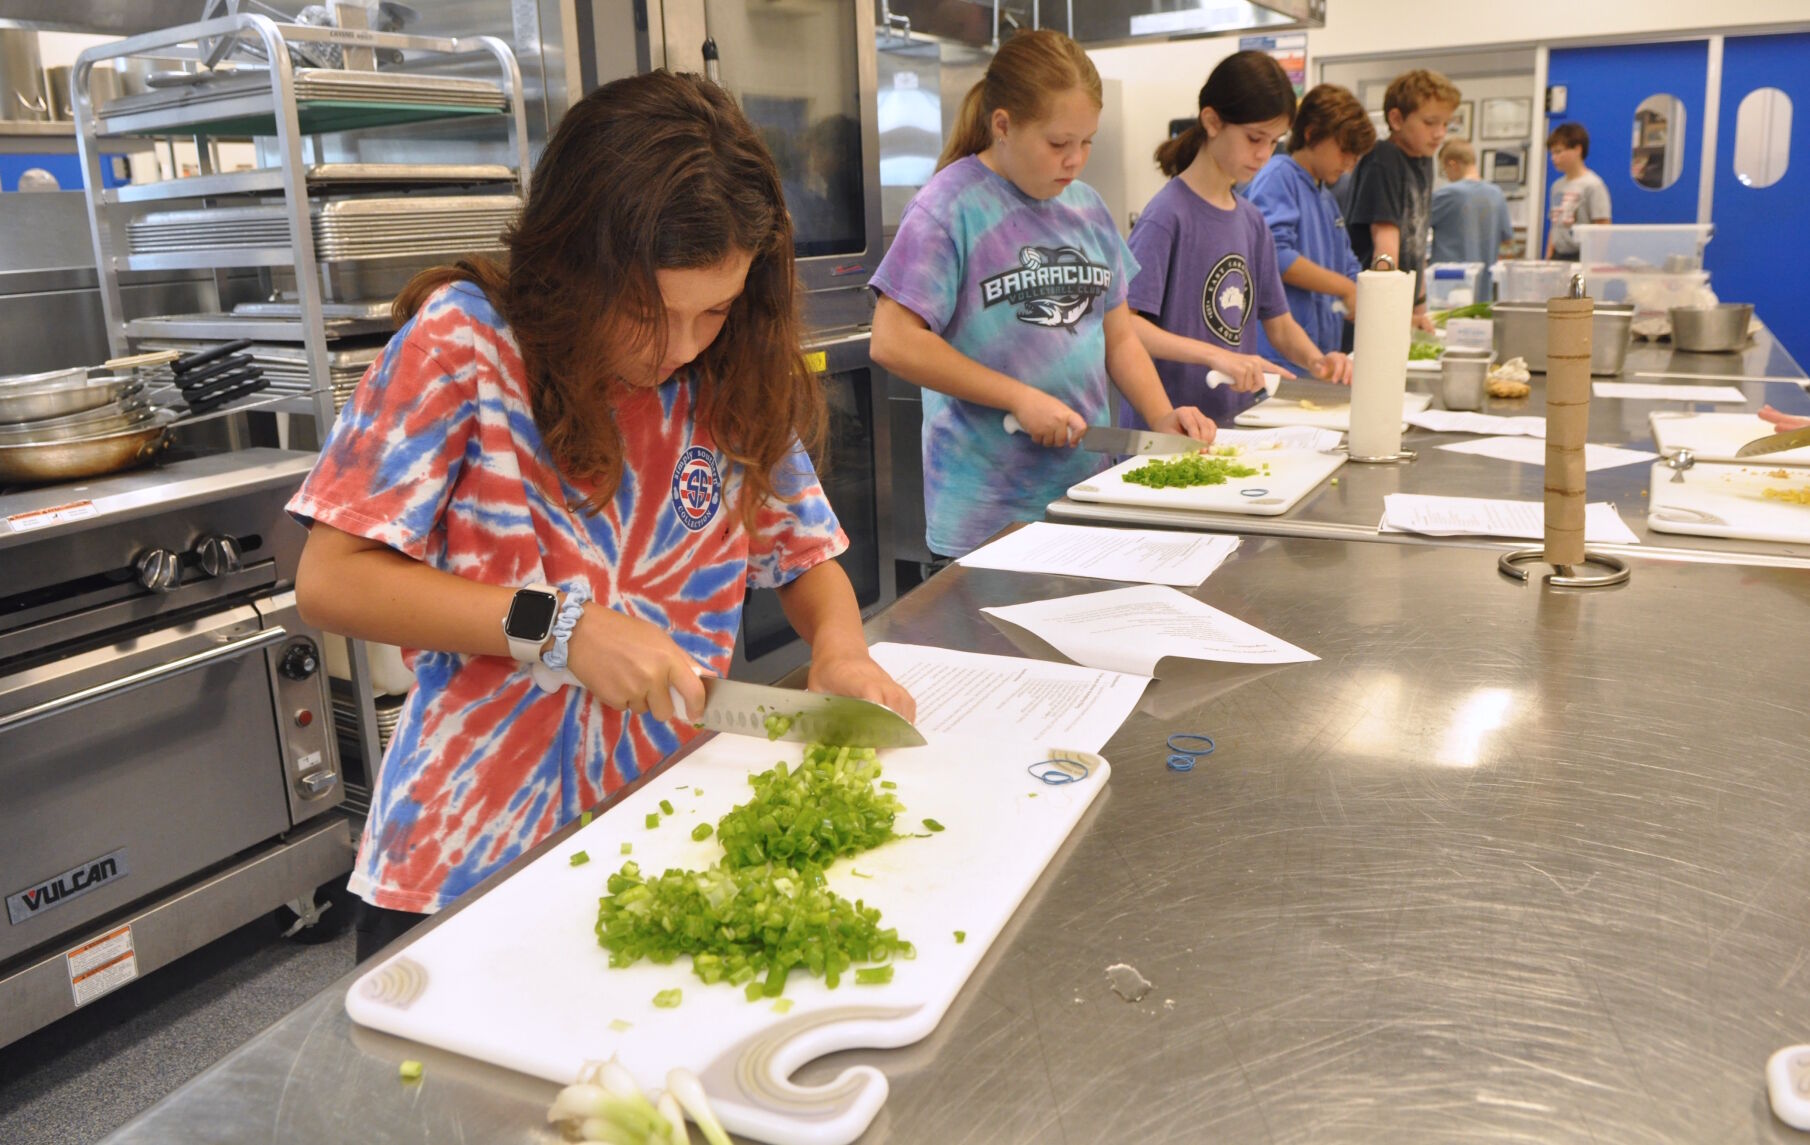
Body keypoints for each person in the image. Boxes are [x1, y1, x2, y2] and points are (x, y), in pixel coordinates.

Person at [288, 71, 915, 963]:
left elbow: (805, 553)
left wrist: (840, 651)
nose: (679, 346)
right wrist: (560, 628)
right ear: (572, 263)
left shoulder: (728, 371)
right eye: (647, 312)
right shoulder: (465, 343)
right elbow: (331, 579)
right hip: (470, 854)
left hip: (665, 829)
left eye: (716, 310)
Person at [868, 29, 1214, 559]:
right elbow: (892, 342)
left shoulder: (1088, 209)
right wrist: (1018, 397)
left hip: (1086, 503)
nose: (1075, 160)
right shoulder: (949, 207)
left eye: (1086, 142)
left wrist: (1162, 418)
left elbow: (1118, 339)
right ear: (1002, 125)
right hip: (986, 521)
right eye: (1058, 144)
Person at [1123, 50, 1354, 428]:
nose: (1263, 154)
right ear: (1212, 121)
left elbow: (1278, 324)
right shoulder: (1167, 215)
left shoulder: (1251, 221)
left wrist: (1317, 360)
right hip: (1171, 431)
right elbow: (1126, 327)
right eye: (1254, 138)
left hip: (1233, 426)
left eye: (1274, 141)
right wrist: (1214, 354)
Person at [1245, 82, 1376, 360]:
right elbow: (1276, 256)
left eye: (1356, 156)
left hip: (1319, 354)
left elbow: (1347, 262)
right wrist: (1344, 288)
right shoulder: (1279, 176)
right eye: (1344, 150)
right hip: (1281, 358)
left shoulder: (1325, 196)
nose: (1350, 163)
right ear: (1312, 133)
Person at [1346, 69, 1462, 332]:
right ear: (1397, 119)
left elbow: (1418, 242)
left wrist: (1420, 307)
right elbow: (1385, 246)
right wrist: (1388, 316)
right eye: (1430, 122)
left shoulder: (1423, 161)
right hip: (1374, 305)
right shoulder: (1383, 159)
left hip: (1402, 305)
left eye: (1445, 124)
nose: (1439, 133)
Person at [1429, 138, 1515, 301]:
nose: (1446, 176)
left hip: (1450, 289)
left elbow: (1416, 226)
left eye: (1444, 170)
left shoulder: (1446, 195)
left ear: (1452, 164)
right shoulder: (1497, 194)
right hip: (1484, 291)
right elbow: (1508, 243)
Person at [1545, 122, 1611, 260]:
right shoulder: (1556, 186)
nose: (1553, 158)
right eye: (1552, 153)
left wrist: (1595, 264)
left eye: (1558, 151)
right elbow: (1555, 225)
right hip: (1558, 255)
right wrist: (1549, 255)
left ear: (1577, 149)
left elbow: (1603, 228)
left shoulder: (1593, 185)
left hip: (1581, 255)